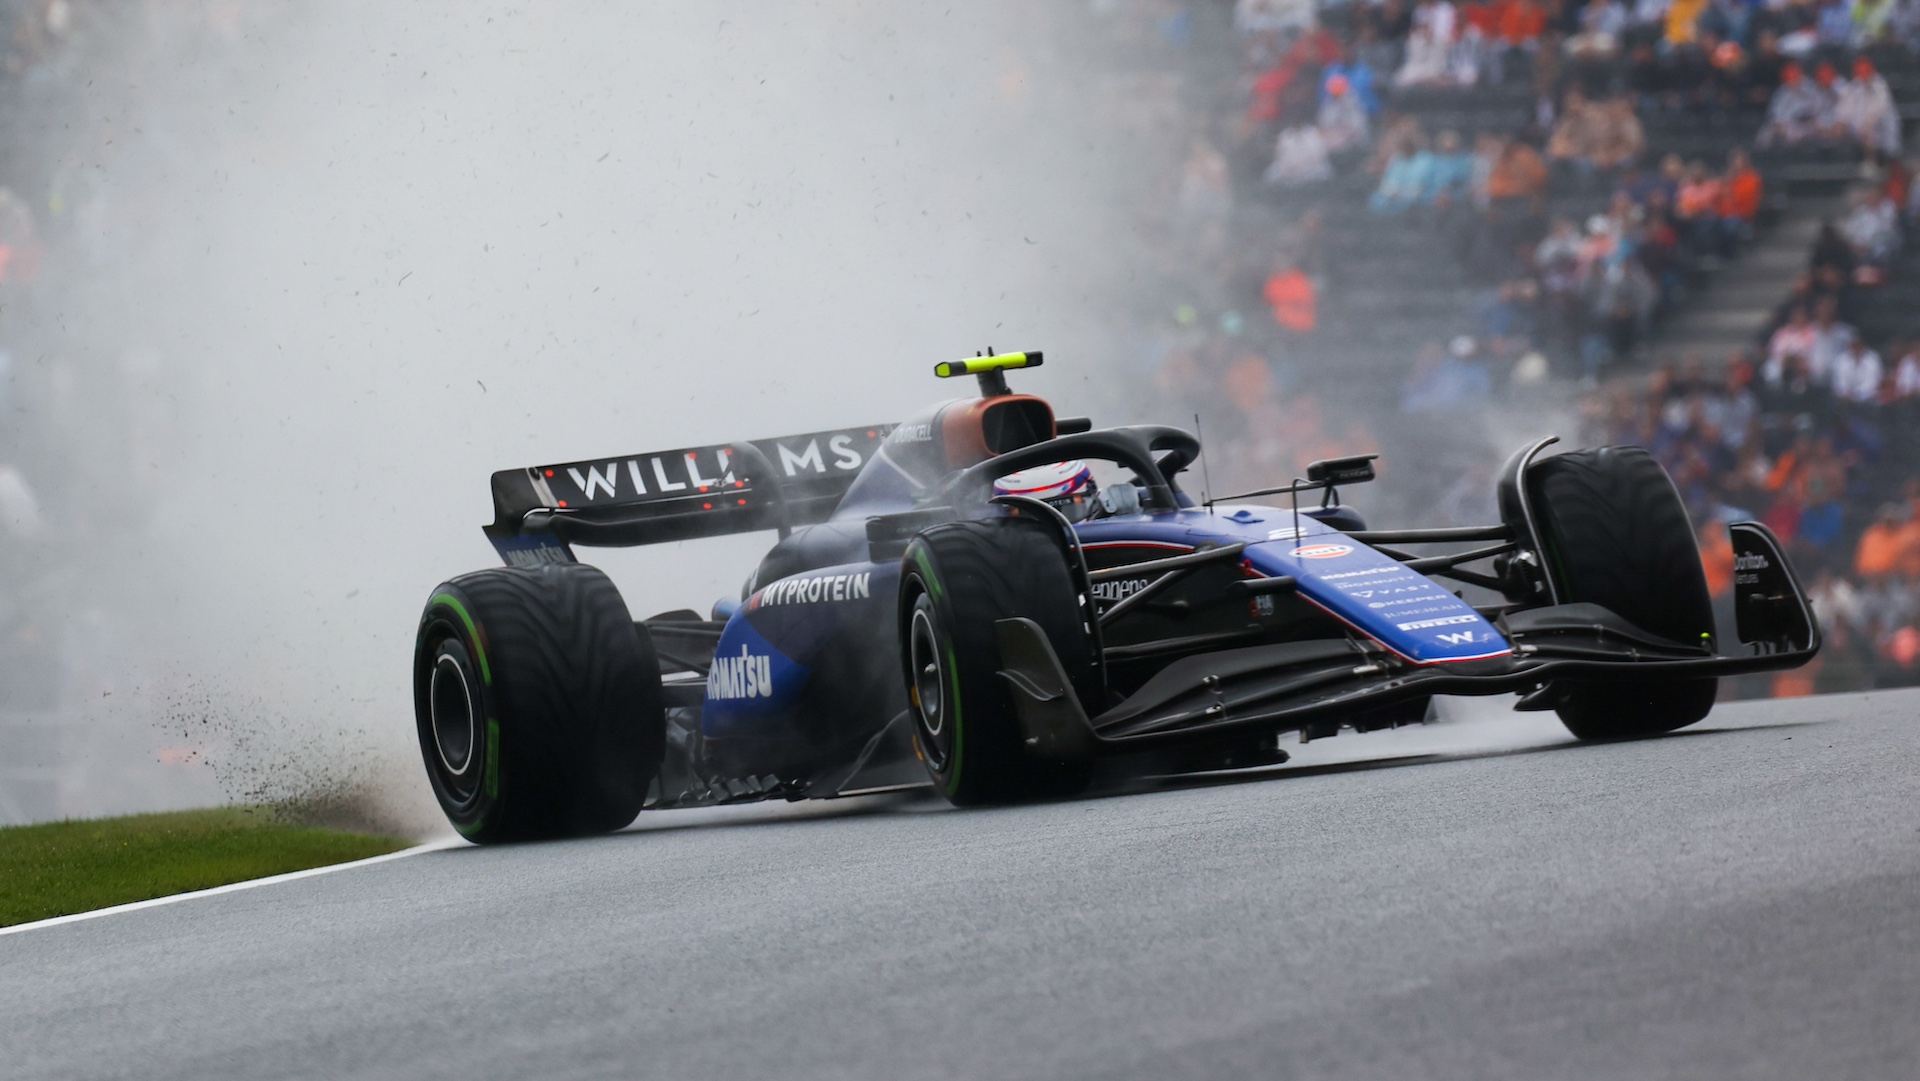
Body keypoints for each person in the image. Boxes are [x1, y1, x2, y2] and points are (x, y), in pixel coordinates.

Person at [1836, 55, 1900, 157]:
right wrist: (1841, 122)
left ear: (1872, 70)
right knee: (1837, 130)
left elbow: (1878, 111)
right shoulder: (1854, 86)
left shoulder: (1880, 85)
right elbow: (1845, 110)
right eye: (1860, 70)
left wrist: (1866, 126)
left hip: (1883, 132)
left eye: (1865, 70)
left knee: (1869, 132)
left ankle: (1871, 163)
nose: (1863, 74)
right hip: (1859, 132)